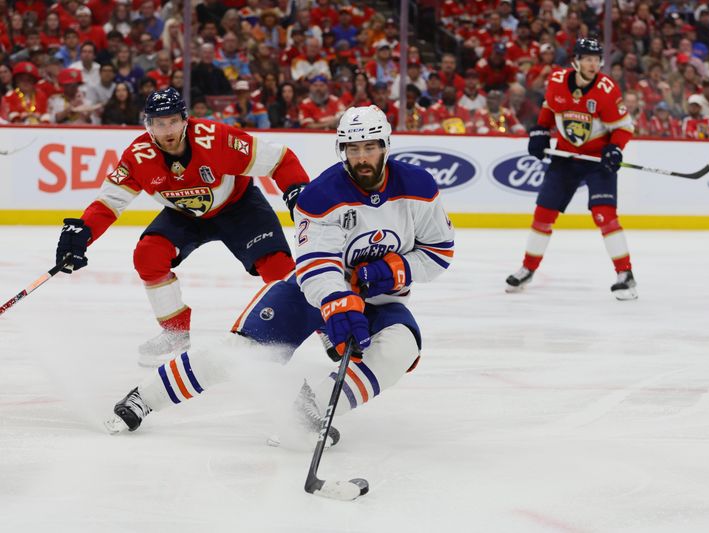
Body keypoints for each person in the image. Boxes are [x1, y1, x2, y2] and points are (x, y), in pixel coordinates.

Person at [103, 106, 455, 449]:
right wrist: (336, 300)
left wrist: (393, 270)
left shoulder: (419, 188)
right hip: (310, 294)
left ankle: (308, 410)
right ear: (342, 149)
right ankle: (145, 397)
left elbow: (439, 252)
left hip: (382, 300)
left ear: (385, 146)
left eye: (370, 147)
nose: (362, 157)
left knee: (401, 348)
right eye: (353, 149)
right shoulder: (320, 195)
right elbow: (315, 262)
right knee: (244, 354)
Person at [53, 87, 310, 365]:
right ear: (148, 125)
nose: (168, 130)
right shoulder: (138, 156)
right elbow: (108, 203)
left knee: (279, 268)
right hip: (184, 214)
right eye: (159, 123)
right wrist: (82, 234)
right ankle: (175, 332)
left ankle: (326, 328)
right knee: (148, 254)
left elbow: (281, 159)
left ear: (185, 119)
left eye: (173, 121)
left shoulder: (217, 139)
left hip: (240, 207)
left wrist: (298, 194)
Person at [505, 37, 637, 300]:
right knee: (543, 214)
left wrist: (615, 149)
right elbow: (549, 107)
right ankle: (528, 269)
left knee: (604, 216)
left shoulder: (607, 89)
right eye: (587, 58)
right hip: (565, 156)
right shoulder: (556, 81)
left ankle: (626, 276)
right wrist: (541, 131)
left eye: (597, 59)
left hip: (597, 160)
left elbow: (624, 127)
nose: (593, 64)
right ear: (575, 60)